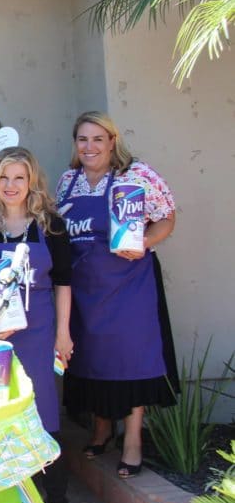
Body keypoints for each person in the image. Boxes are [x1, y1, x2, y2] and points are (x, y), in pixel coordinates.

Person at [57, 111, 177, 480]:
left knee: (131, 359)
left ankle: (133, 441)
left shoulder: (136, 174)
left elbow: (168, 216)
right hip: (84, 289)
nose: (90, 147)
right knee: (92, 358)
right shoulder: (67, 181)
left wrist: (144, 241)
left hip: (129, 286)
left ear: (112, 141)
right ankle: (102, 428)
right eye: (83, 139)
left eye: (98, 139)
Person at [0, 147, 73, 503]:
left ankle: (57, 502)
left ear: (31, 183)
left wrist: (63, 332)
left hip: (39, 331)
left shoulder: (51, 224)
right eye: (4, 178)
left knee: (42, 417)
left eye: (19, 178)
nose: (11, 186)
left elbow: (63, 282)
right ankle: (7, 502)